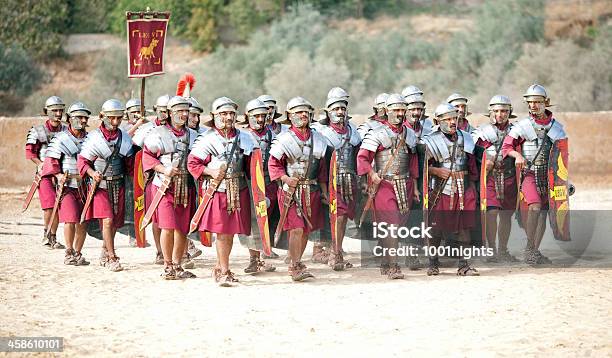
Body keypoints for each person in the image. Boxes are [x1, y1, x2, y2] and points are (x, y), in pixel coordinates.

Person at [187, 97, 257, 286]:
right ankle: (224, 271)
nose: (228, 117)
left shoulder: (245, 138)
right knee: (223, 232)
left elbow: (253, 167)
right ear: (214, 116)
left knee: (230, 233)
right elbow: (192, 164)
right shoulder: (207, 139)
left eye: (231, 114)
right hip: (218, 190)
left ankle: (220, 266)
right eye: (223, 114)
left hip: (239, 189)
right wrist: (211, 171)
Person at [502, 84, 568, 265]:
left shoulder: (558, 128)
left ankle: (534, 251)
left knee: (544, 213)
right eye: (530, 102)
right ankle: (529, 248)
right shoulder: (522, 127)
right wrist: (517, 155)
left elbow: (563, 158)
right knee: (535, 207)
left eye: (537, 102)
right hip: (529, 173)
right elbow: (506, 148)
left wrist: (565, 181)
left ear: (545, 103)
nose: (533, 106)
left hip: (550, 177)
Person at [357, 93, 419, 279]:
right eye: (396, 110)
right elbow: (362, 157)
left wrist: (415, 187)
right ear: (387, 111)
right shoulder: (377, 133)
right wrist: (371, 173)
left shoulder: (410, 134)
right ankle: (393, 265)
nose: (400, 114)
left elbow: (413, 162)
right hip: (385, 185)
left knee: (398, 225)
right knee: (390, 224)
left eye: (402, 110)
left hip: (405, 184)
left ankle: (385, 261)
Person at [268, 97, 329, 281]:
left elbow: (322, 169)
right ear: (290, 116)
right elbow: (273, 165)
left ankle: (298, 261)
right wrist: (286, 178)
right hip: (290, 192)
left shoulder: (318, 138)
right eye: (298, 112)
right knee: (295, 228)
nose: (303, 115)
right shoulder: (284, 139)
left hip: (311, 191)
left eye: (306, 112)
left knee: (305, 230)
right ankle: (294, 266)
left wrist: (325, 192)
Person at [142, 95, 198, 279]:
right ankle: (167, 266)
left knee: (182, 228)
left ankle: (177, 264)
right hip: (164, 186)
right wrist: (164, 169)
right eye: (180, 111)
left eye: (186, 111)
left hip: (186, 186)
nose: (183, 114)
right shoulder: (158, 133)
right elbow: (148, 157)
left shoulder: (194, 135)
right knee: (167, 226)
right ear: (170, 113)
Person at [422, 103, 480, 276]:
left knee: (464, 227)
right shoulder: (430, 140)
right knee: (436, 227)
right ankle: (433, 262)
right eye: (447, 119)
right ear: (438, 121)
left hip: (463, 188)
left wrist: (474, 188)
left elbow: (473, 167)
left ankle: (463, 265)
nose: (452, 122)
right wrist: (435, 170)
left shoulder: (467, 138)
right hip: (441, 189)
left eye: (454, 118)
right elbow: (421, 167)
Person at [78, 99, 135, 272]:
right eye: (112, 118)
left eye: (119, 118)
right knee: (108, 221)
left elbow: (130, 163)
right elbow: (83, 161)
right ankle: (112, 257)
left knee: (116, 222)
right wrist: (92, 173)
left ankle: (104, 250)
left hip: (118, 185)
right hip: (100, 186)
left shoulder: (124, 137)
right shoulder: (94, 138)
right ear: (103, 116)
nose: (116, 122)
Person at [41, 102, 91, 265]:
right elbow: (51, 161)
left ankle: (78, 253)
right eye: (79, 117)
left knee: (82, 221)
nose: (83, 120)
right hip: (67, 186)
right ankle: (69, 253)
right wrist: (58, 174)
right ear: (70, 118)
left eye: (85, 117)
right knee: (70, 219)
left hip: (85, 186)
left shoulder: (91, 139)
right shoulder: (61, 138)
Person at [473, 95, 519, 262]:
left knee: (506, 215)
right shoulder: (481, 132)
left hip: (510, 177)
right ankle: (491, 250)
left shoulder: (517, 131)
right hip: (490, 178)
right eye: (497, 111)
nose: (500, 114)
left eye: (504, 111)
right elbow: (474, 155)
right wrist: (485, 163)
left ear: (509, 112)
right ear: (490, 112)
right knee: (491, 213)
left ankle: (503, 250)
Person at [25, 96, 67, 248]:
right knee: (49, 206)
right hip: (45, 175)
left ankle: (53, 237)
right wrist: (40, 163)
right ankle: (47, 235)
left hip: (62, 175)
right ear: (46, 112)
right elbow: (30, 152)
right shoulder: (38, 131)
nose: (58, 113)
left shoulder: (67, 130)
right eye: (54, 110)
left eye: (60, 110)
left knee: (59, 206)